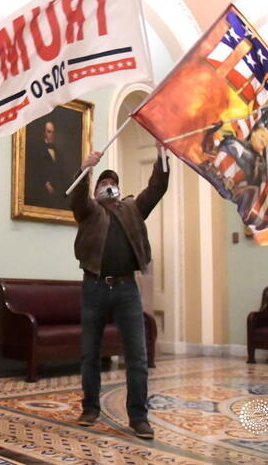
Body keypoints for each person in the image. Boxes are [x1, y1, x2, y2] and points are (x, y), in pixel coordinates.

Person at [70, 148, 169, 439]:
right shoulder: (89, 211)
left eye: (112, 182)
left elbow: (156, 188)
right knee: (90, 353)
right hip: (94, 287)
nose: (108, 186)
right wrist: (85, 168)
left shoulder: (133, 209)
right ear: (97, 189)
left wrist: (162, 157)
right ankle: (90, 408)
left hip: (127, 289)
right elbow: (76, 196)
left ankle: (138, 417)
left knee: (137, 356)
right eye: (103, 183)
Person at [27, 120, 69, 209]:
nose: (51, 135)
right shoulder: (37, 150)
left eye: (53, 132)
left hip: (57, 191)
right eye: (49, 132)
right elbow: (35, 170)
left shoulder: (58, 152)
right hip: (42, 191)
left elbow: (62, 173)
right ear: (44, 133)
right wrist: (46, 183)